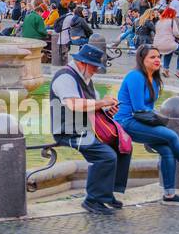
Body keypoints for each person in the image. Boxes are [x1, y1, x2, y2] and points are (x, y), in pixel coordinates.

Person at [116, 45, 179, 205]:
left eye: (158, 57)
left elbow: (148, 109)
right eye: (152, 57)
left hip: (141, 122)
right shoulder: (135, 76)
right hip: (127, 122)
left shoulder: (154, 79)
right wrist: (159, 123)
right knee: (171, 135)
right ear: (142, 60)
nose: (157, 60)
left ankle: (169, 195)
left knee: (167, 150)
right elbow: (138, 108)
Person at [49, 42, 130, 215]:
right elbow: (74, 104)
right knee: (106, 155)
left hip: (86, 127)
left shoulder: (86, 77)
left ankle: (106, 194)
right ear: (82, 63)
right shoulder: (65, 77)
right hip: (67, 131)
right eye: (94, 66)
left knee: (123, 146)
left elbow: (91, 106)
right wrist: (102, 103)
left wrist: (107, 108)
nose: (96, 70)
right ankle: (92, 200)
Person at [153, 7, 179, 79]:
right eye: (174, 14)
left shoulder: (159, 22)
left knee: (168, 52)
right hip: (168, 42)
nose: (175, 16)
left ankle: (165, 70)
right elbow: (176, 33)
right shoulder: (171, 21)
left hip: (157, 43)